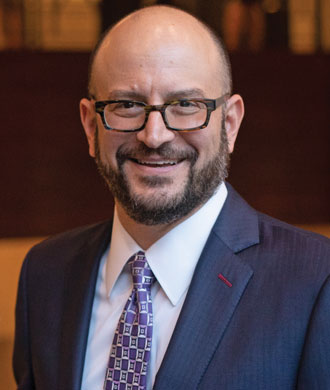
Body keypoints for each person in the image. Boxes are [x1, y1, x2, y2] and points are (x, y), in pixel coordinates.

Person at [13, 5, 330, 390]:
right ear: (90, 126)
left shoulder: (315, 281)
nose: (155, 135)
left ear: (229, 123)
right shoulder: (45, 274)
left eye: (185, 105)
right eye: (127, 105)